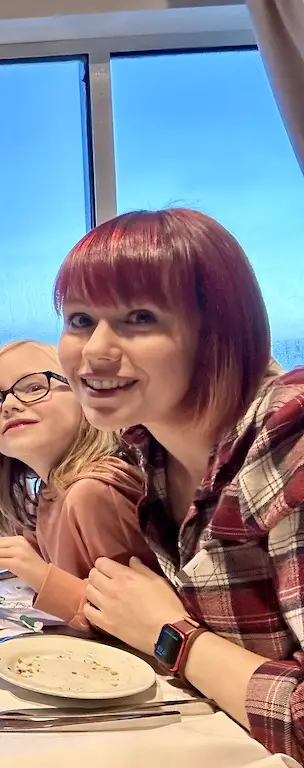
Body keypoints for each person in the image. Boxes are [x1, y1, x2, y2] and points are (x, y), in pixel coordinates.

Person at [54, 208, 304, 760]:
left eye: (139, 317)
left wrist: (172, 635)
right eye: (78, 319)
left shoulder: (288, 440)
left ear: (217, 331)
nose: (95, 350)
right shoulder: (152, 450)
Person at [0, 340, 154, 630]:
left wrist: (39, 574)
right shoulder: (53, 490)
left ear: (85, 396)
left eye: (34, 387)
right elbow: (46, 549)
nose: (10, 405)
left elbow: (139, 625)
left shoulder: (92, 493)